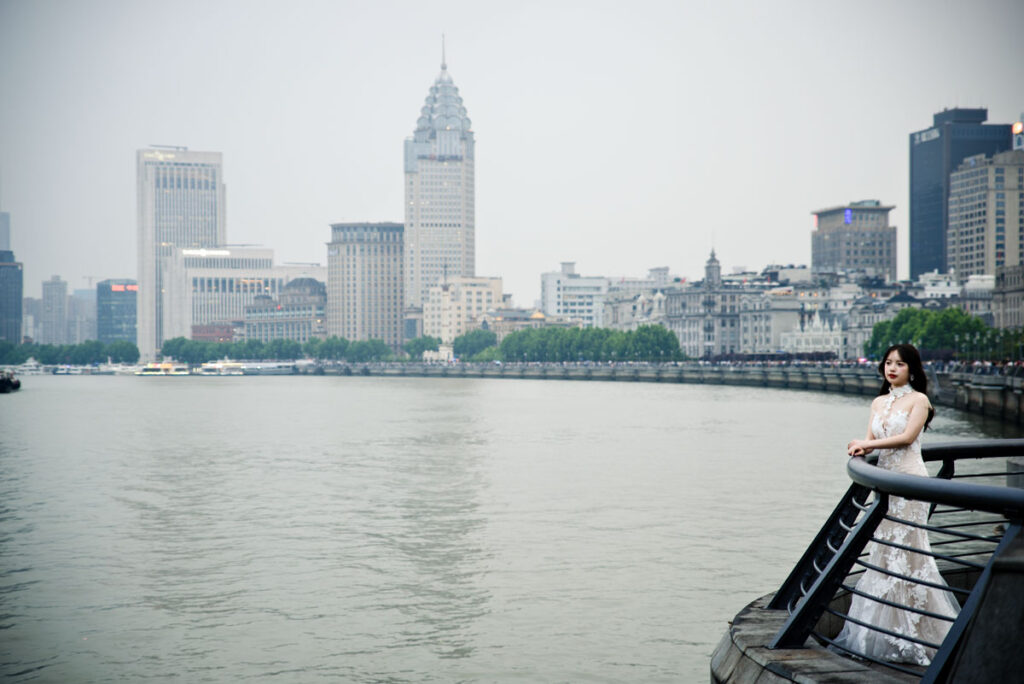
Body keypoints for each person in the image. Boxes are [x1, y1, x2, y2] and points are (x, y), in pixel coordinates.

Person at [832, 343, 960, 666]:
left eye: (899, 364)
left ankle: (918, 634)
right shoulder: (877, 402)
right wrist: (860, 448)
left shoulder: (920, 400)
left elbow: (906, 438)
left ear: (912, 370)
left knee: (911, 556)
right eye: (888, 363)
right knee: (885, 554)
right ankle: (882, 631)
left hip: (910, 481)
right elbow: (870, 440)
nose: (892, 369)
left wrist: (867, 443)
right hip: (886, 484)